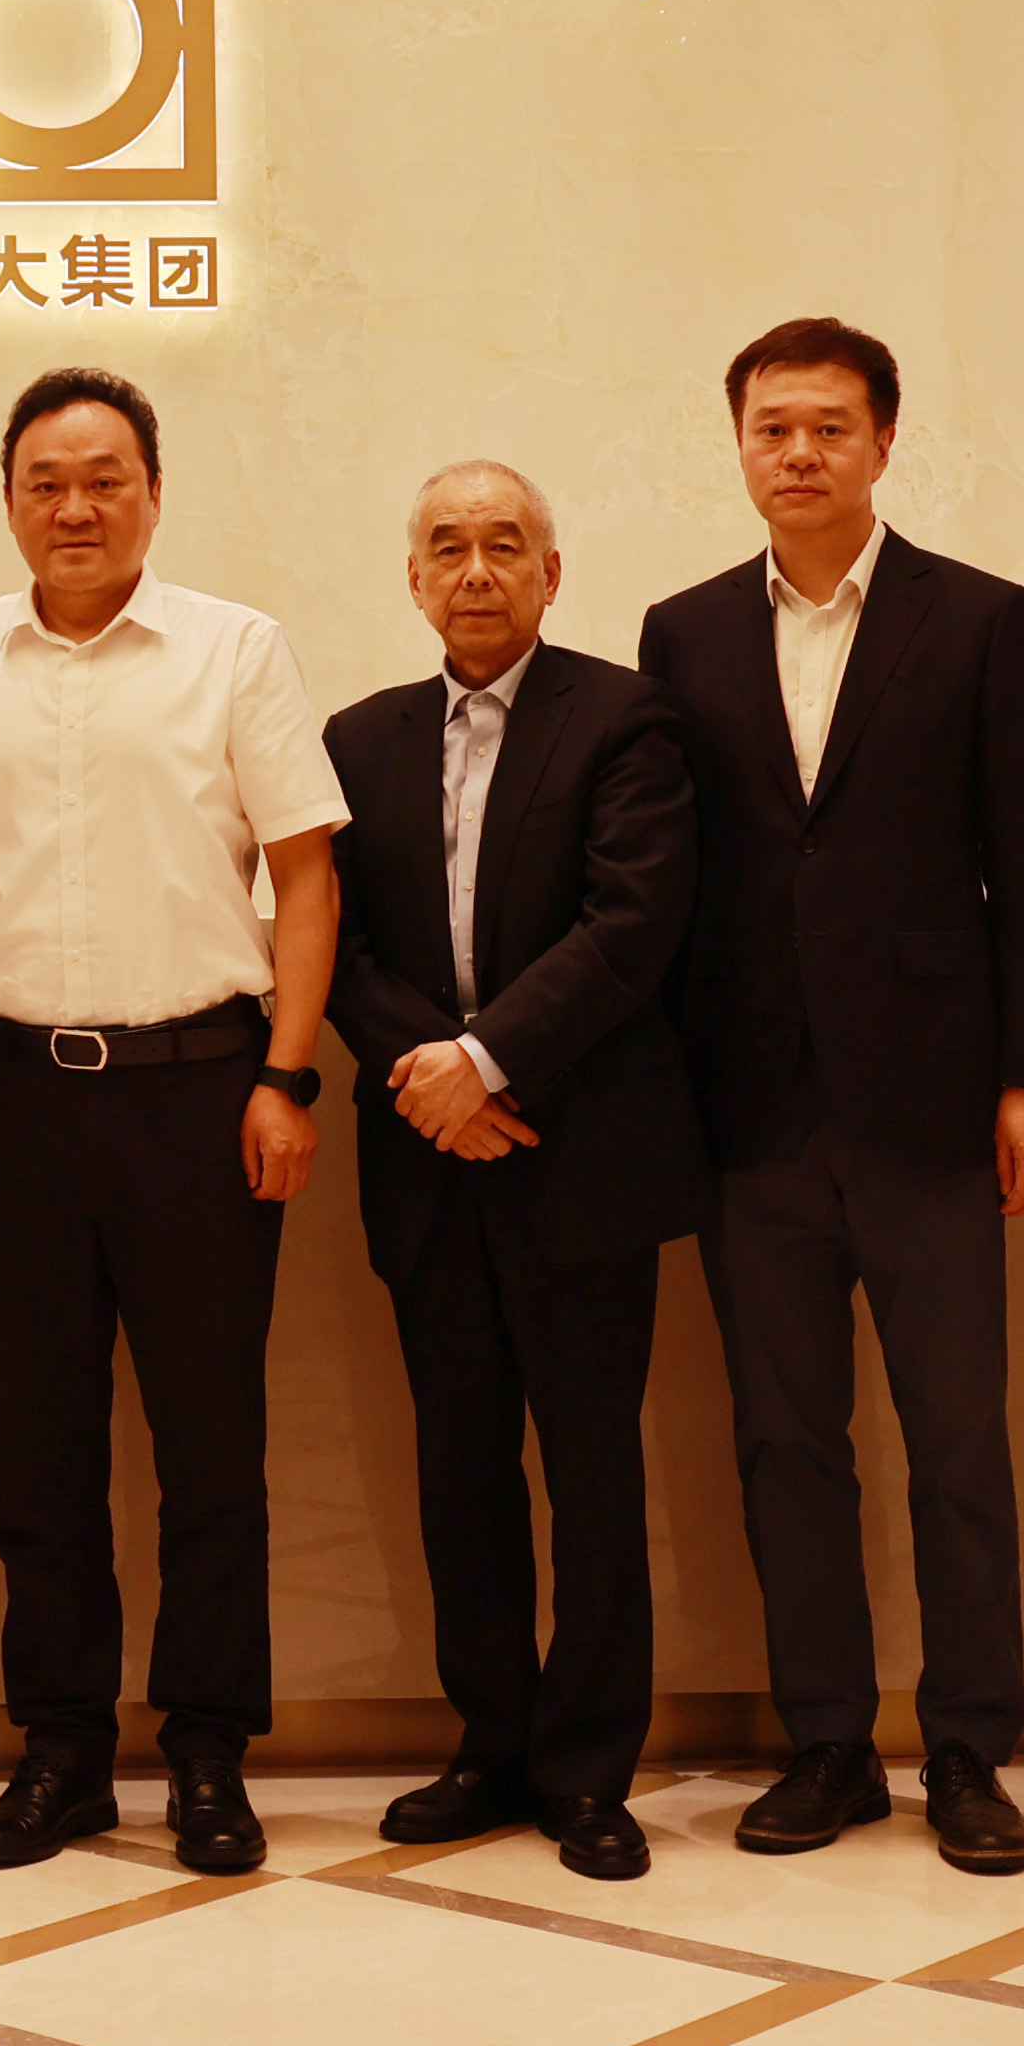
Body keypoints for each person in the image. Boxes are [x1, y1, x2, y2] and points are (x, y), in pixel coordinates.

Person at [0, 365, 349, 1879]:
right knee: (38, 1452)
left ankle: (209, 1753)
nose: (75, 506)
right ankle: (63, 1750)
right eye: (46, 481)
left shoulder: (236, 649)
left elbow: (305, 873)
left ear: (153, 494)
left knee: (212, 1445)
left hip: (200, 1091)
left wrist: (287, 1076)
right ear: (8, 499)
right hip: (15, 1092)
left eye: (104, 479)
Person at [638, 316, 1024, 1875]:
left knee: (957, 1439)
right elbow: (672, 873)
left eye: (828, 426)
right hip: (750, 1106)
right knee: (783, 1438)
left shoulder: (977, 617)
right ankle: (822, 1738)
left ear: (883, 442)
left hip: (933, 1102)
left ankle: (967, 1746)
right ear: (738, 445)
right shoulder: (683, 631)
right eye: (772, 427)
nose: (798, 452)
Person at [321, 461, 702, 1885]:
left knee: (592, 1469)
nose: (474, 570)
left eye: (503, 545)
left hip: (576, 1153)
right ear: (413, 578)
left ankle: (589, 1767)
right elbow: (334, 939)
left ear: (550, 572)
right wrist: (434, 1082)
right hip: (430, 1162)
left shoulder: (623, 717)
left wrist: (482, 1064)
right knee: (459, 1462)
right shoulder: (355, 739)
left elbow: (632, 922)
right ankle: (488, 1742)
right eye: (447, 546)